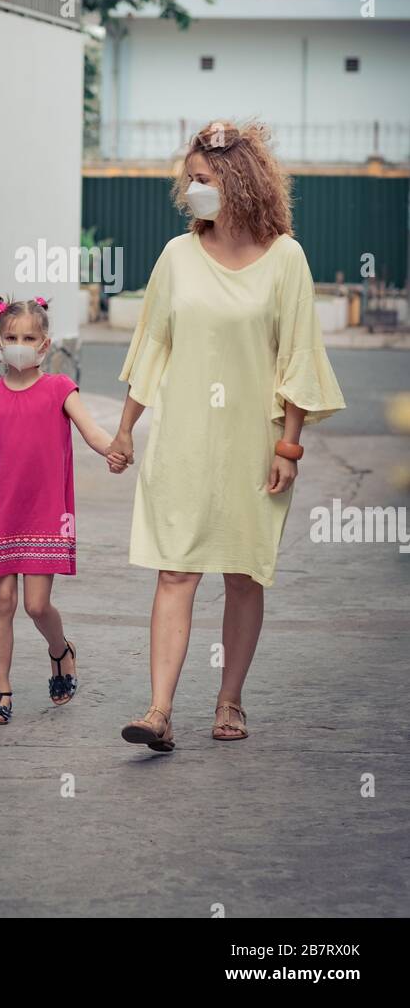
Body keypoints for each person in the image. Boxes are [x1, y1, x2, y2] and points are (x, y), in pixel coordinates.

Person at [107, 120, 346, 752]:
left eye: (203, 179)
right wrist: (126, 428)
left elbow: (297, 355)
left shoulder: (286, 258)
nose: (191, 190)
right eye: (188, 179)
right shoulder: (175, 256)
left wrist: (289, 446)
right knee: (176, 572)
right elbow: (151, 344)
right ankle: (158, 711)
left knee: (243, 576)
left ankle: (230, 700)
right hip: (182, 437)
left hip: (254, 444)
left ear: (238, 182)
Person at [0, 294, 128, 724]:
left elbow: (89, 430)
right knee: (1, 602)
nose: (19, 343)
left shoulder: (59, 389)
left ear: (44, 345)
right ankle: (1, 690)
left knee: (35, 605)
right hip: (1, 512)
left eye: (28, 337)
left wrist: (114, 449)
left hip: (45, 513)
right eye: (11, 336)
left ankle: (60, 650)